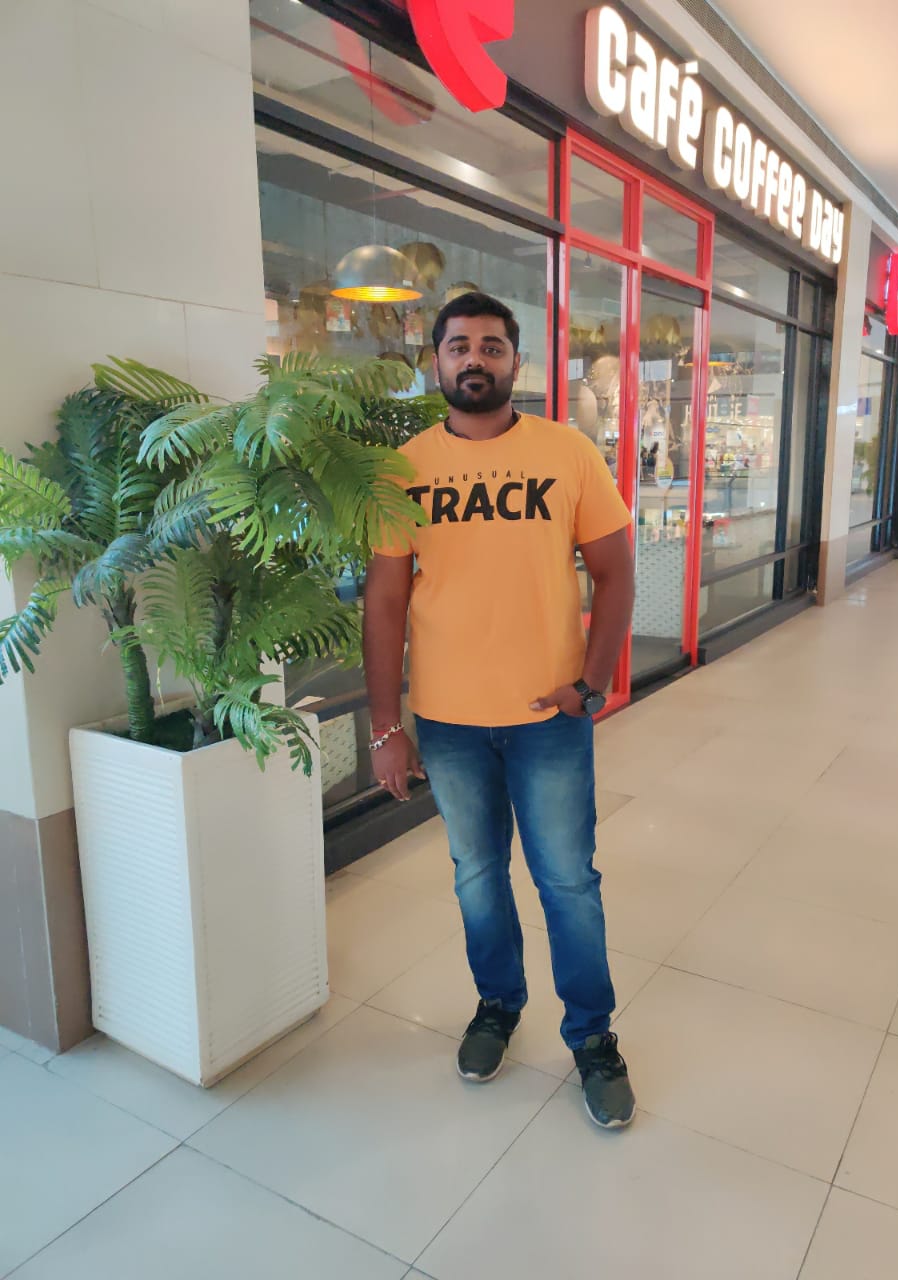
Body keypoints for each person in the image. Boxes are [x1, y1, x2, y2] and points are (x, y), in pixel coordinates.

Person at [362, 291, 637, 1129]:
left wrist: (591, 683)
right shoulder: (403, 468)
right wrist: (386, 727)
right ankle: (497, 1004)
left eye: (491, 345)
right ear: (436, 362)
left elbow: (616, 571)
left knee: (567, 881)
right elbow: (384, 603)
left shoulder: (567, 453)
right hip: (448, 723)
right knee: (477, 876)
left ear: (517, 361)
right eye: (458, 346)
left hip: (549, 718)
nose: (474, 359)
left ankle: (592, 1036)